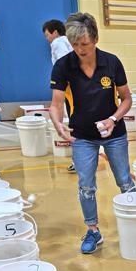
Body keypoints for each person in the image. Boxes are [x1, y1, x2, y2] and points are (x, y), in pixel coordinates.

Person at [49, 12, 135, 254]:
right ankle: (93, 231)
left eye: (84, 44)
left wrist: (113, 119)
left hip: (114, 132)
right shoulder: (63, 66)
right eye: (75, 44)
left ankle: (135, 220)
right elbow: (55, 104)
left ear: (95, 38)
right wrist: (59, 125)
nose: (80, 49)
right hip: (82, 136)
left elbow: (127, 98)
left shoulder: (112, 62)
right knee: (86, 185)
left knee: (125, 181)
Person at [42, 19, 75, 172]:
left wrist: (61, 84)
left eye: (47, 35)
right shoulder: (68, 41)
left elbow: (63, 63)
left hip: (69, 88)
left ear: (54, 32)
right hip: (72, 86)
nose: (47, 38)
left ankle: (79, 161)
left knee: (74, 121)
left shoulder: (58, 43)